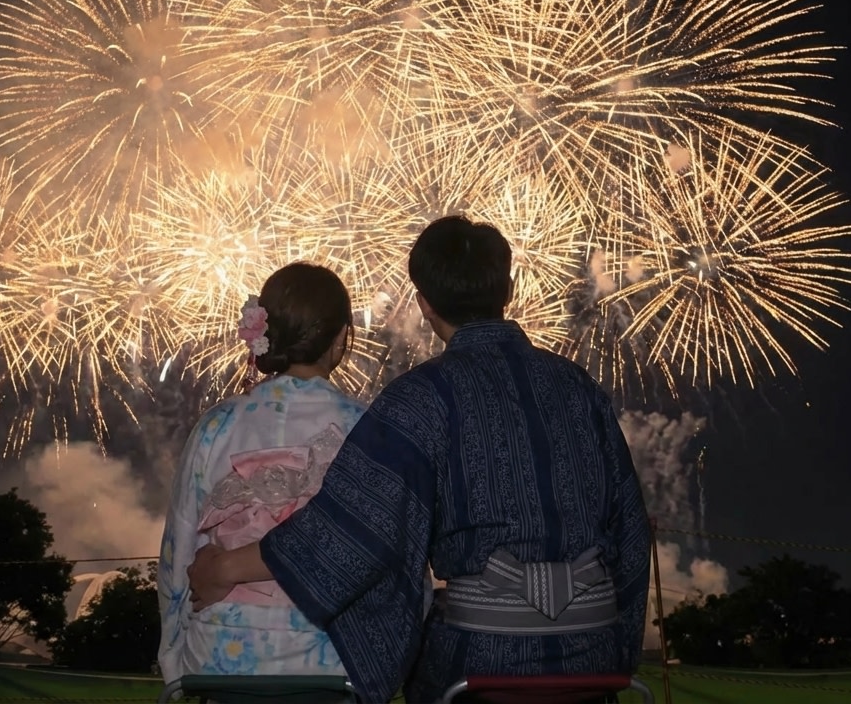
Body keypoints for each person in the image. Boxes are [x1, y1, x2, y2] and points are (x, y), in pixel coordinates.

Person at [187, 215, 650, 703]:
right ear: (509, 289)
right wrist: (617, 649)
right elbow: (631, 532)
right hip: (592, 658)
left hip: (482, 662)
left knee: (425, 665)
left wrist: (226, 568)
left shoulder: (419, 398)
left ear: (424, 303)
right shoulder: (580, 389)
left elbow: (353, 529)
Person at [157, 262, 366, 682]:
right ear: (341, 337)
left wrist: (174, 658)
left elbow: (178, 551)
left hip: (218, 656)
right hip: (332, 660)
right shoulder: (366, 428)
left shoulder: (217, 426)